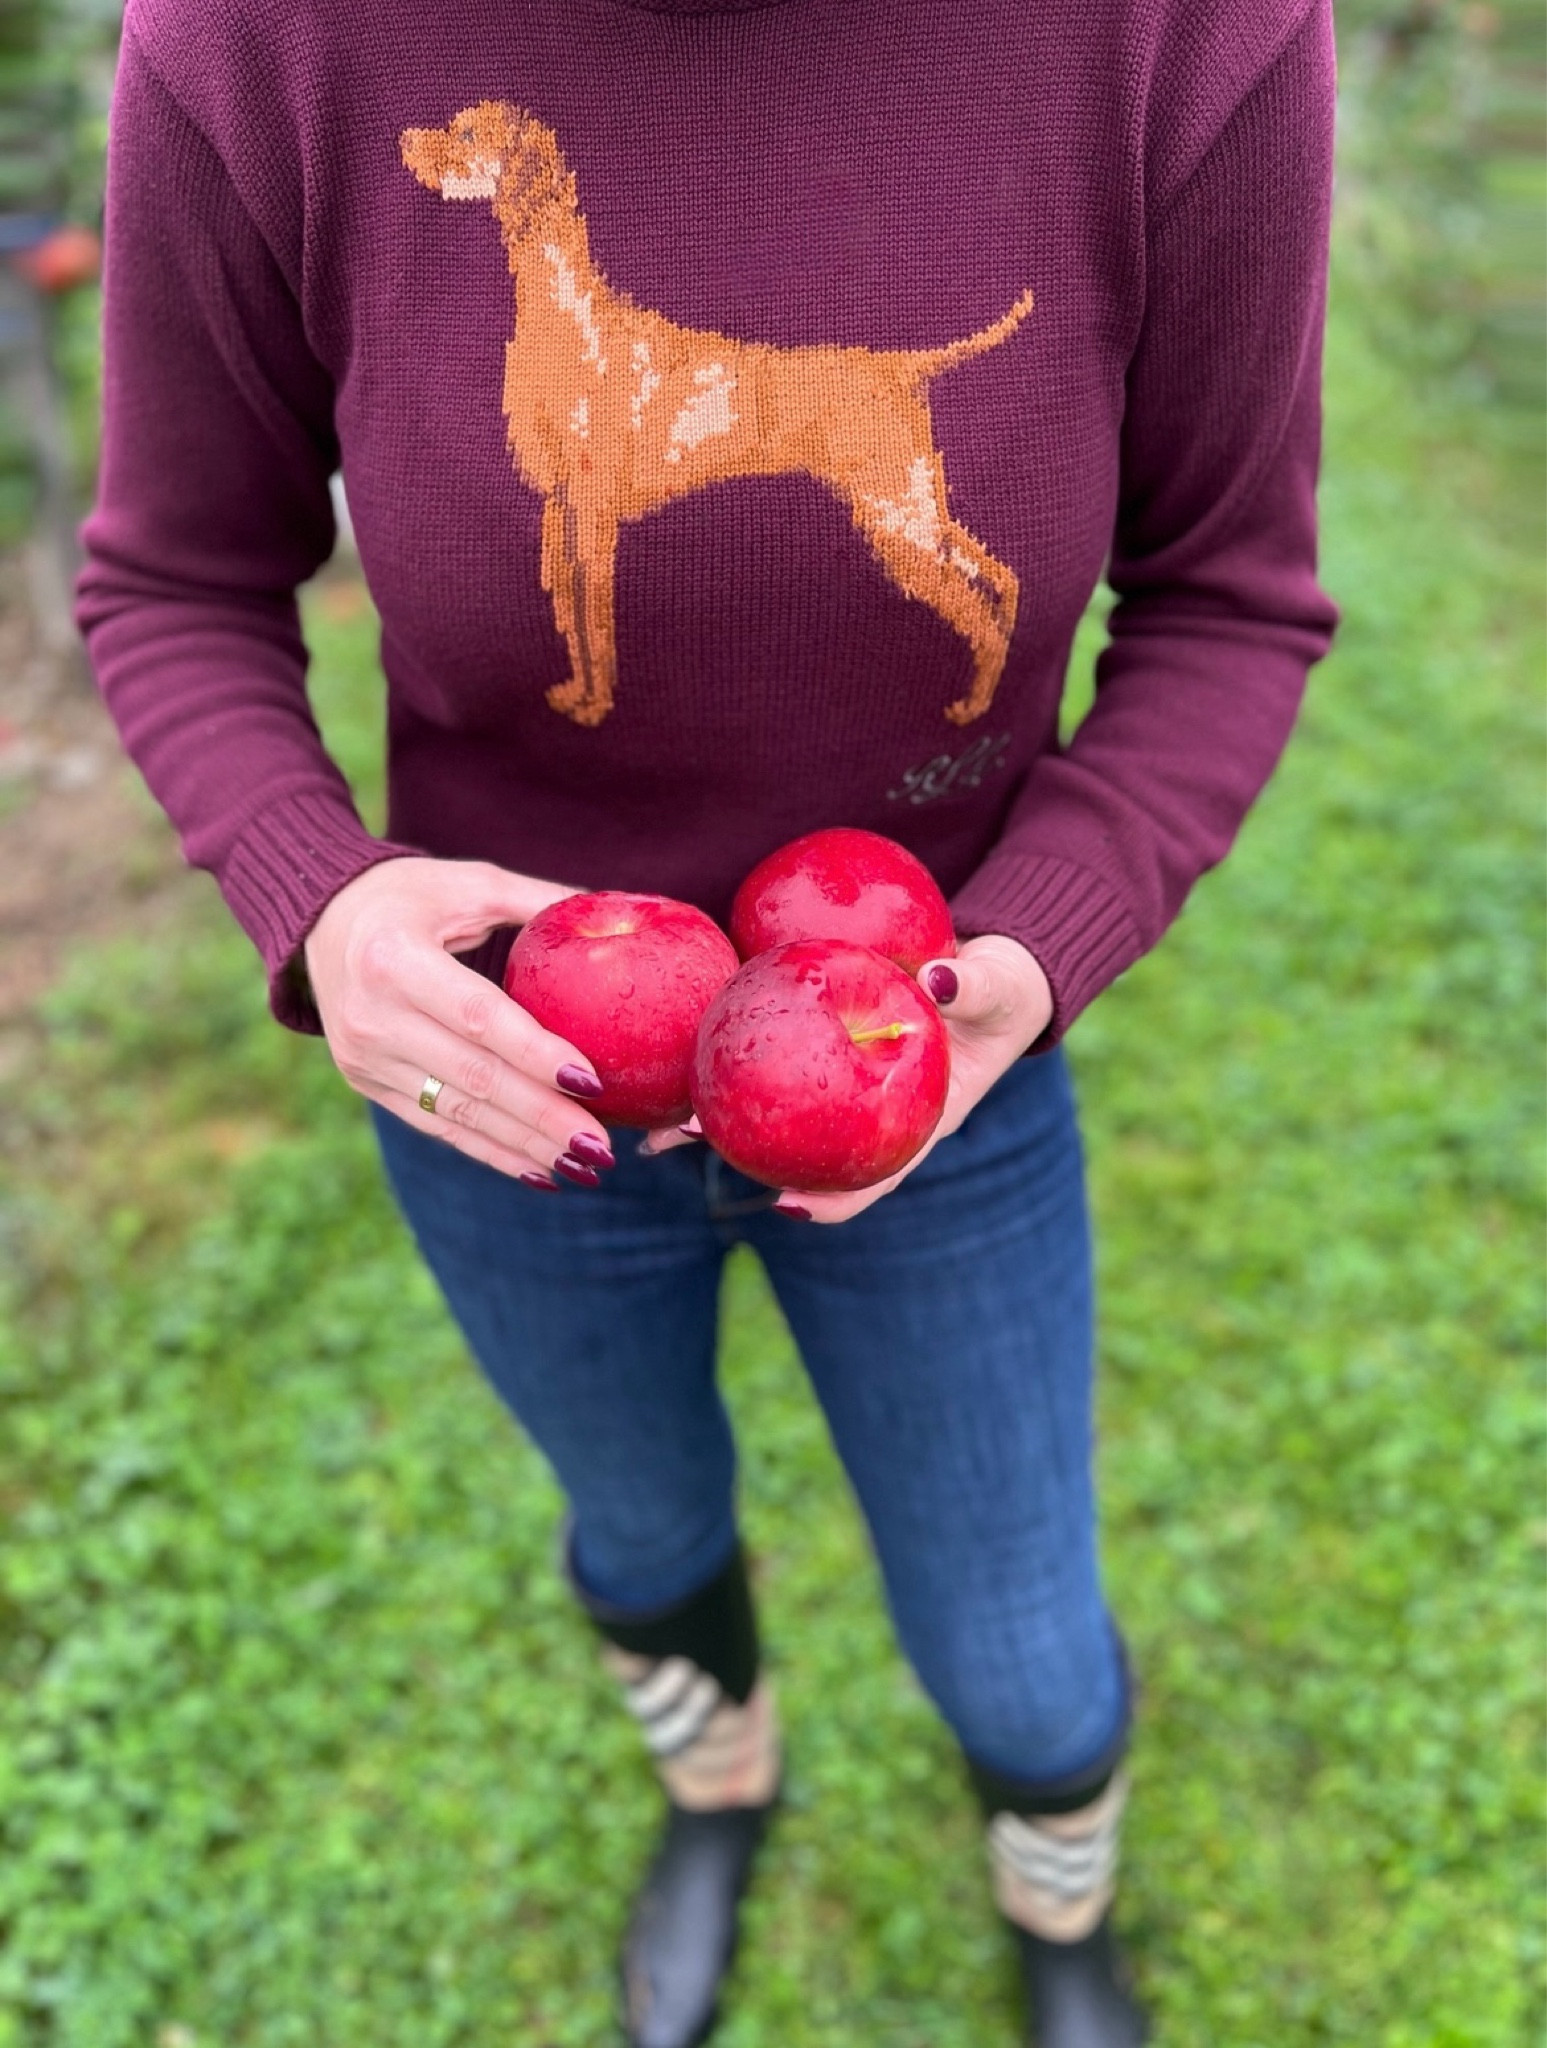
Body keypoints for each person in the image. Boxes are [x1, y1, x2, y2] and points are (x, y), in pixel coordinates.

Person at [76, 0, 1338, 2040]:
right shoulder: (260, 38)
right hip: (516, 1082)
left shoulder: (1183, 35)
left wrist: (1028, 946)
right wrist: (320, 898)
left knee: (1024, 1649)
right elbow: (171, 578)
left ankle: (1061, 1907)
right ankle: (718, 1789)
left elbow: (1234, 594)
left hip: (930, 1051)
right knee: (644, 1525)